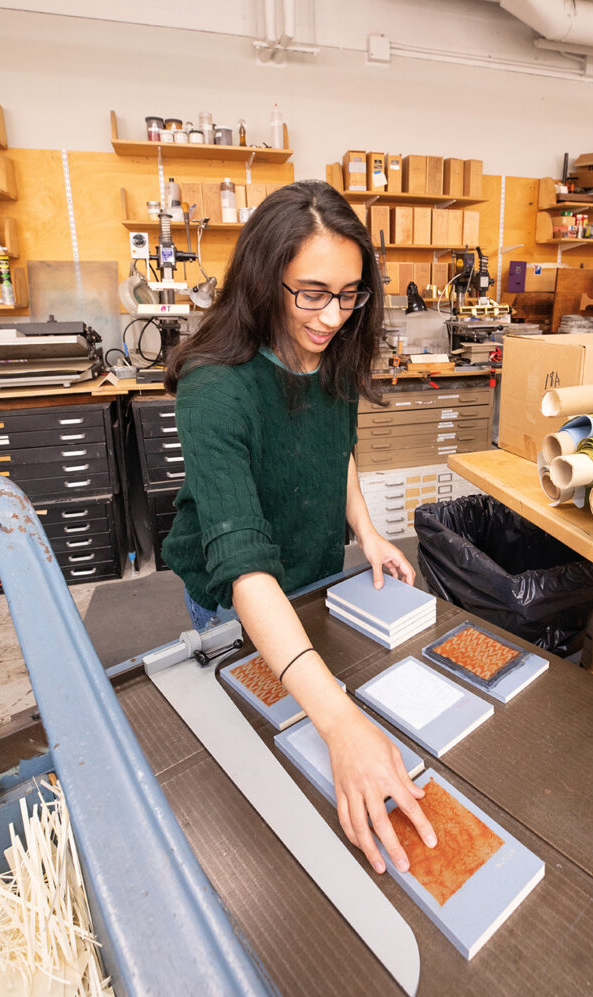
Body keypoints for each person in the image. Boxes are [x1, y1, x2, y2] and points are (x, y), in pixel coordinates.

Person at [162, 179, 436, 875]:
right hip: (235, 592)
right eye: (311, 292)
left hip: (311, 568)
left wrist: (367, 533)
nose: (331, 315)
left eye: (349, 294)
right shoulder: (214, 384)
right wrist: (342, 722)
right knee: (264, 736)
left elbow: (335, 448)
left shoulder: (334, 349)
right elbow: (246, 567)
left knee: (306, 704)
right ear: (263, 279)